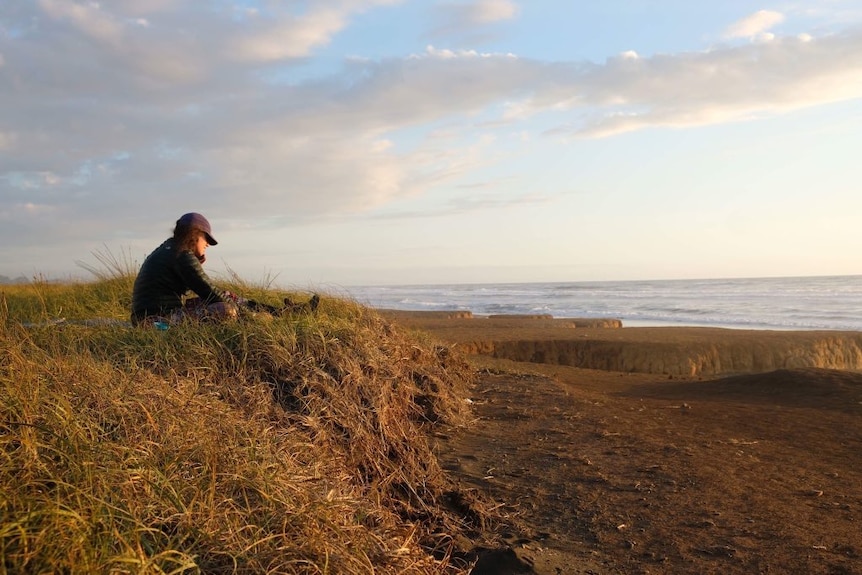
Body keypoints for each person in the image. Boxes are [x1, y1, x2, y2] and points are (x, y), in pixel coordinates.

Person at [130, 212, 238, 326]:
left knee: (220, 299)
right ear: (195, 234)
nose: (207, 244)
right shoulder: (182, 254)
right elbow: (211, 293)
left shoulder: (169, 249)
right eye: (206, 238)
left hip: (144, 319)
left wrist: (197, 261)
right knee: (226, 310)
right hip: (158, 321)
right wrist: (241, 312)